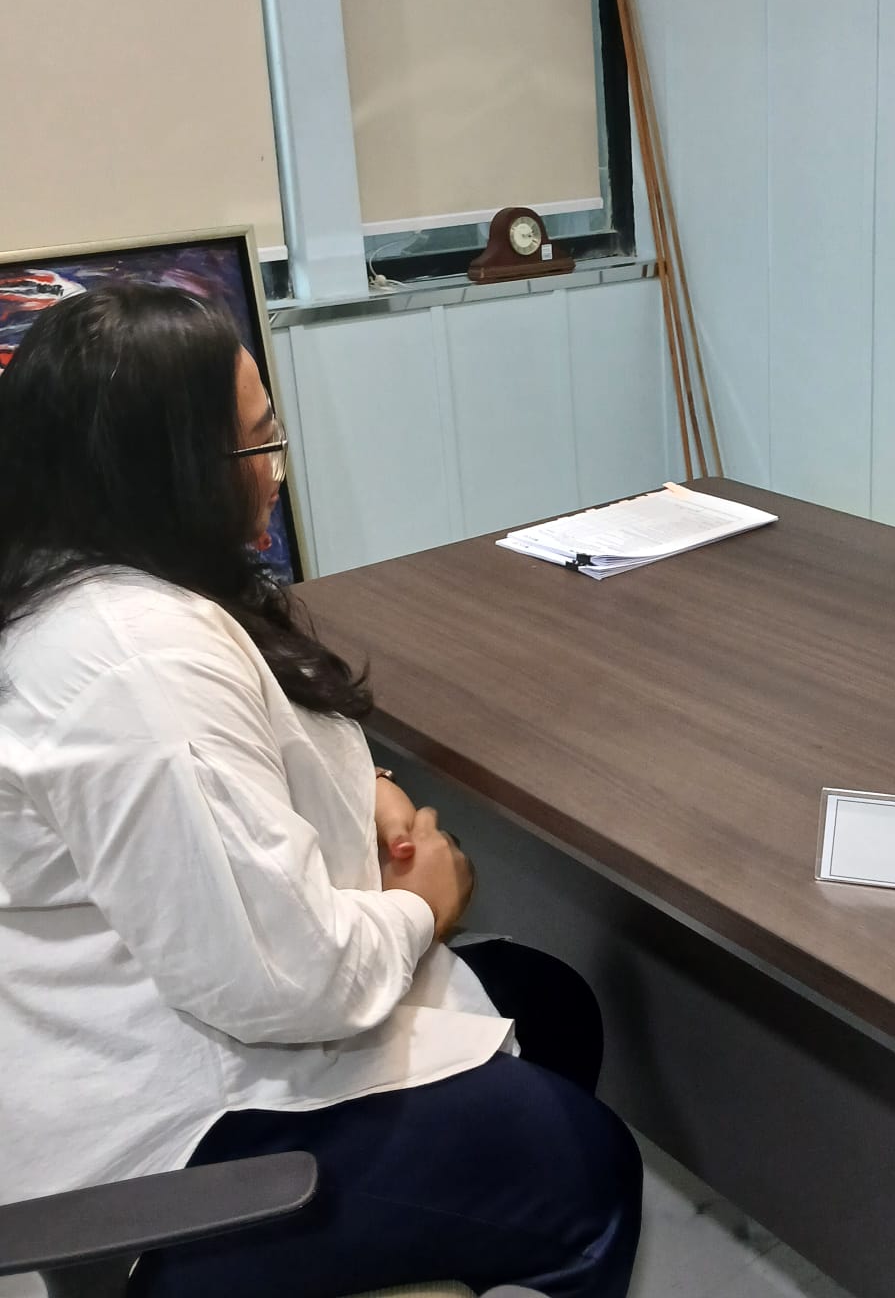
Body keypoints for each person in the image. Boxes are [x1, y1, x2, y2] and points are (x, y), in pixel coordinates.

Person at [0, 283, 642, 1298]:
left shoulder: (85, 580)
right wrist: (421, 907)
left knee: (552, 1007)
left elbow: (234, 768)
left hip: (175, 1030)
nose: (275, 469)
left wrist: (366, 789)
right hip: (172, 1153)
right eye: (256, 444)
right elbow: (281, 981)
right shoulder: (136, 659)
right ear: (167, 469)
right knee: (586, 1167)